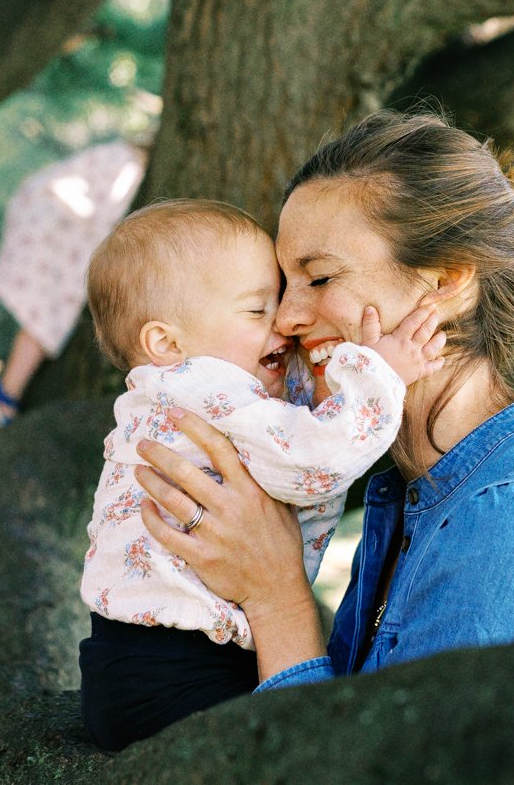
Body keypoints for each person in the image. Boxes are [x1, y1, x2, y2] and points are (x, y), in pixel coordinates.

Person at [133, 111, 514, 699]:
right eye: (283, 286)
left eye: (321, 278)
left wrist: (276, 597)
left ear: (448, 280)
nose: (286, 320)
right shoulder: (407, 492)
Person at [76, 199, 446, 750]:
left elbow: (282, 417)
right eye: (256, 310)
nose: (281, 322)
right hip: (179, 670)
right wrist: (377, 374)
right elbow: (313, 460)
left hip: (132, 662)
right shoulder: (199, 384)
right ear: (167, 343)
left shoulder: (190, 390)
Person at [0, 140, 148, 427]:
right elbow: (107, 209)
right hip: (58, 229)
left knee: (42, 315)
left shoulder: (120, 155)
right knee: (44, 318)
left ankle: (3, 392)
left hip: (54, 224)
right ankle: (4, 395)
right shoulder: (129, 165)